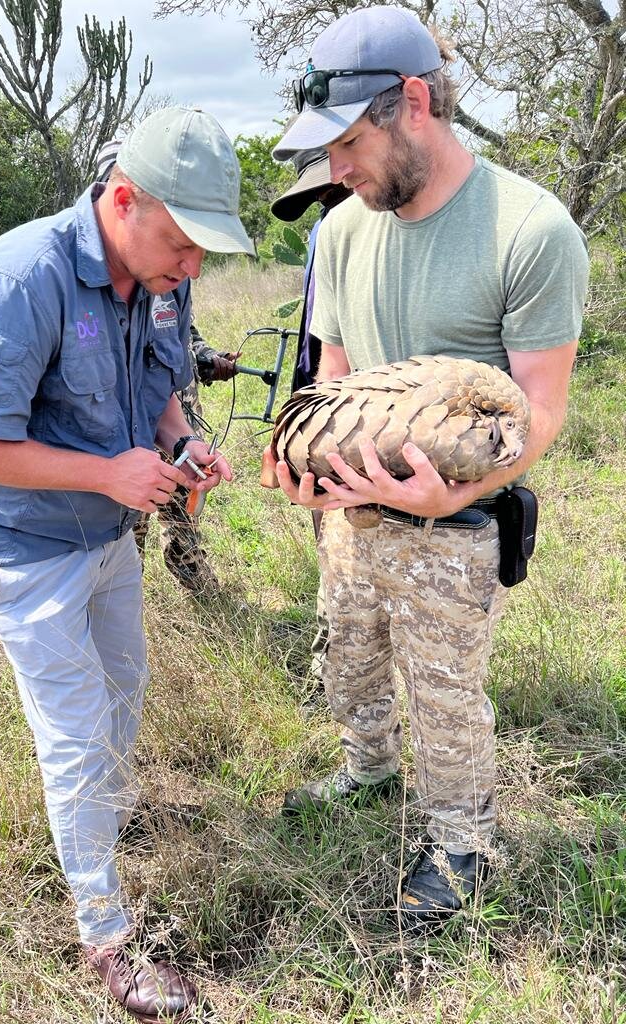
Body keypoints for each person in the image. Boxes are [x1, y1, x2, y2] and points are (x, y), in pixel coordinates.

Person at [0, 106, 254, 1021]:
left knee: (126, 687)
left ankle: (102, 812)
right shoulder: (18, 278)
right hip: (16, 540)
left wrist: (182, 444)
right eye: (183, 242)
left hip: (107, 528)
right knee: (74, 725)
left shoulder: (161, 276)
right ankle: (106, 937)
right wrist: (107, 472)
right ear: (122, 199)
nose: (193, 267)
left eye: (204, 251)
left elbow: (161, 387)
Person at [266, 6, 589, 931]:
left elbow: (544, 407)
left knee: (443, 694)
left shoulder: (530, 230)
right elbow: (330, 374)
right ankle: (366, 772)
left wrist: (453, 489)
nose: (336, 170)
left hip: (455, 526)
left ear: (414, 102)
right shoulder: (339, 232)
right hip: (348, 519)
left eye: (349, 144)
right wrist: (312, 468)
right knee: (349, 658)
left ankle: (460, 841)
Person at [96, 141, 240, 597]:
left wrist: (206, 358)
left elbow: (183, 334)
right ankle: (125, 582)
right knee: (129, 515)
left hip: (172, 405)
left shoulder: (169, 277)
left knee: (182, 500)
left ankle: (188, 564)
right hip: (120, 432)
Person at [271, 146, 349, 714]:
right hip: (322, 408)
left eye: (331, 188)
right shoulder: (329, 231)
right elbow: (314, 347)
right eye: (318, 195)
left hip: (359, 425)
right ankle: (333, 675)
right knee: (331, 553)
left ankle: (338, 676)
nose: (326, 202)